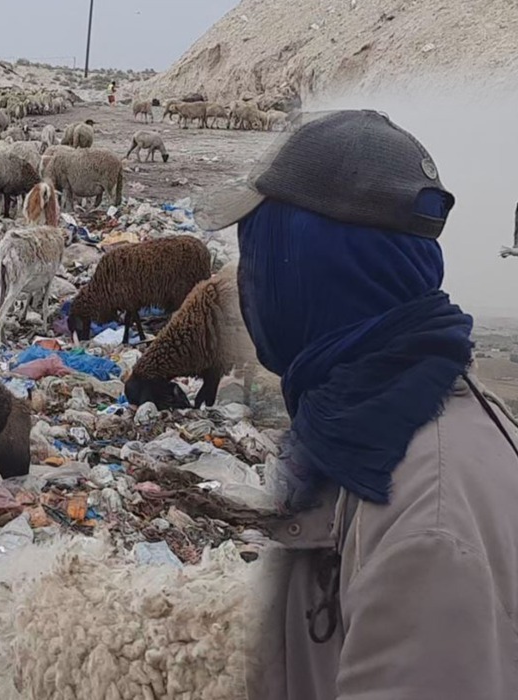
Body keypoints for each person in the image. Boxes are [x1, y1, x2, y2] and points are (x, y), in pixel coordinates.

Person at [194, 109, 518, 699]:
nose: (247, 285)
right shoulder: (368, 428)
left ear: (314, 270)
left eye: (259, 254)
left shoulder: (428, 523)